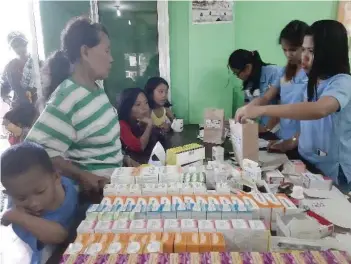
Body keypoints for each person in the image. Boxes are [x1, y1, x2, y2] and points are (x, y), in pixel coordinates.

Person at [235, 20, 351, 192]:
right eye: (303, 49)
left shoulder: (342, 82)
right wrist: (292, 141)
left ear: (329, 53)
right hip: (305, 159)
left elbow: (319, 109)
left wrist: (261, 110)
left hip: (330, 167)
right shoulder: (313, 80)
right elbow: (306, 120)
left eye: (310, 51)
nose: (303, 56)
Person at [26, 17, 134, 191]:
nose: (111, 59)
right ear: (85, 52)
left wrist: (123, 158)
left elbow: (99, 143)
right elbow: (36, 152)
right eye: (106, 51)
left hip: (114, 188)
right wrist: (83, 175)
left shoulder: (96, 89)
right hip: (94, 198)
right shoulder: (68, 97)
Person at [0, 142, 78, 264]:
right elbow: (59, 236)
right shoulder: (20, 216)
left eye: (40, 192)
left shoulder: (67, 185)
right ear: (10, 194)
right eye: (22, 198)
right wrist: (15, 216)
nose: (34, 203)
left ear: (56, 177)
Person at [236, 20, 309, 148]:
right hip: (283, 136)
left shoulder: (310, 75)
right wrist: (247, 108)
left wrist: (292, 141)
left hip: (301, 141)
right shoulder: (285, 72)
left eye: (292, 50)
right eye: (284, 50)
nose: (288, 54)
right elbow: (266, 97)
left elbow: (311, 117)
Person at [228, 49, 280, 133]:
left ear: (248, 67)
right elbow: (248, 108)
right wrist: (239, 123)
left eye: (237, 73)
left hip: (281, 131)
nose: (237, 77)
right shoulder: (249, 83)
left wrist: (266, 129)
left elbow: (281, 106)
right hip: (265, 130)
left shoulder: (275, 73)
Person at [118, 88, 165, 164]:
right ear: (127, 108)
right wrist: (149, 126)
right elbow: (140, 147)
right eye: (138, 104)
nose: (145, 108)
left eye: (146, 103)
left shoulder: (137, 121)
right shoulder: (121, 125)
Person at [0, 31, 40, 107]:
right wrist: (7, 99)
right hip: (20, 107)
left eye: (22, 44)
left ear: (27, 44)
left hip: (38, 106)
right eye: (15, 46)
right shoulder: (9, 67)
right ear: (11, 48)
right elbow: (4, 88)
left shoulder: (38, 62)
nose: (20, 48)